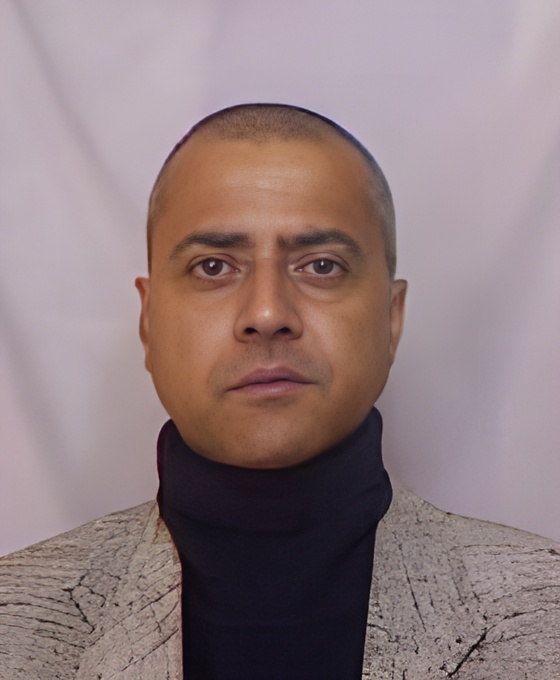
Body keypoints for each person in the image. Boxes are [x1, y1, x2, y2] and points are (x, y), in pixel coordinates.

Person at [0, 104, 558, 680]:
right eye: (213, 267)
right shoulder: (13, 625)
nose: (267, 314)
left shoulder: (546, 613)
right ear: (149, 321)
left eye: (321, 266)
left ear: (391, 320)